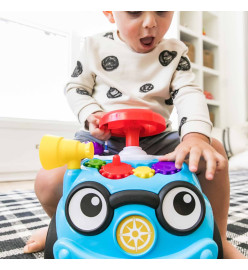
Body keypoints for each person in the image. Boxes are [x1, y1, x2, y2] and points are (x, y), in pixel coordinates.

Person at [24, 11, 246, 259]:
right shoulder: (94, 46)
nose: (151, 22)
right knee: (47, 179)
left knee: (212, 151)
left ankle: (217, 234)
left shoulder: (175, 53)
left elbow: (188, 93)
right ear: (110, 12)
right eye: (134, 11)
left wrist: (194, 136)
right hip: (100, 140)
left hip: (158, 140)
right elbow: (76, 87)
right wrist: (91, 114)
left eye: (161, 11)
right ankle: (61, 226)